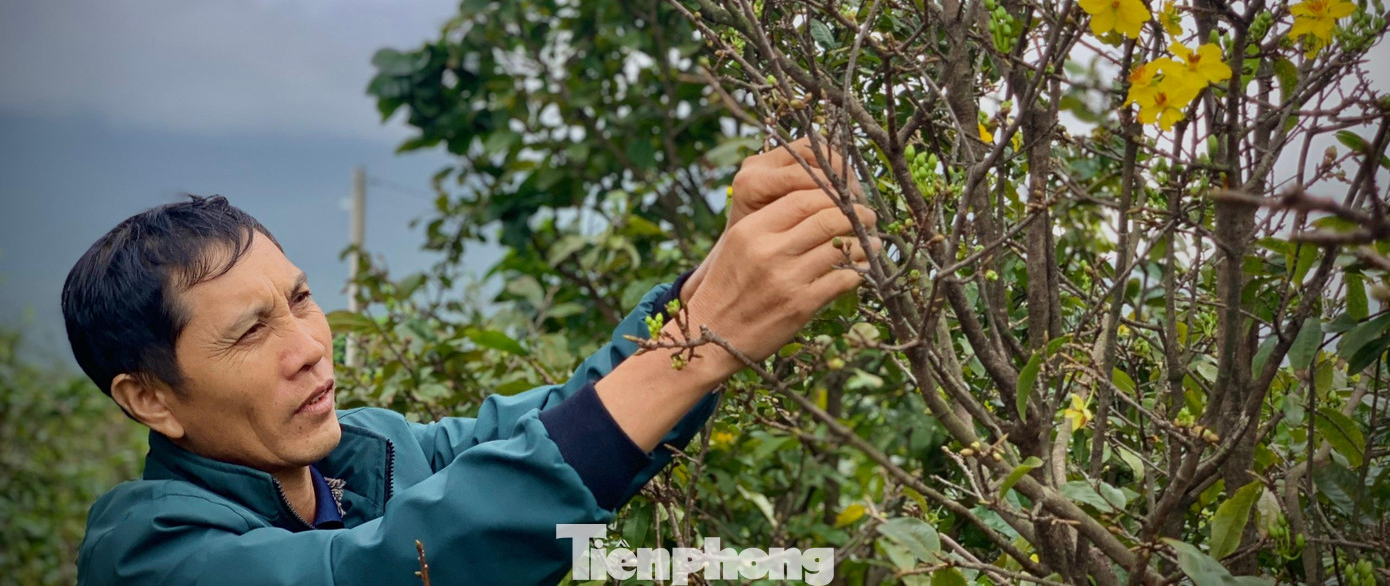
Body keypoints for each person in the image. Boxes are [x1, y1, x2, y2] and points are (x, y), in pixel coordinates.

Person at [62, 136, 878, 585]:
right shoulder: (149, 553)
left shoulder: (373, 453)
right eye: (250, 332)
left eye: (302, 299)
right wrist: (696, 344)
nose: (309, 347)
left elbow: (570, 422)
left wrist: (718, 268)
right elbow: (377, 570)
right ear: (152, 398)